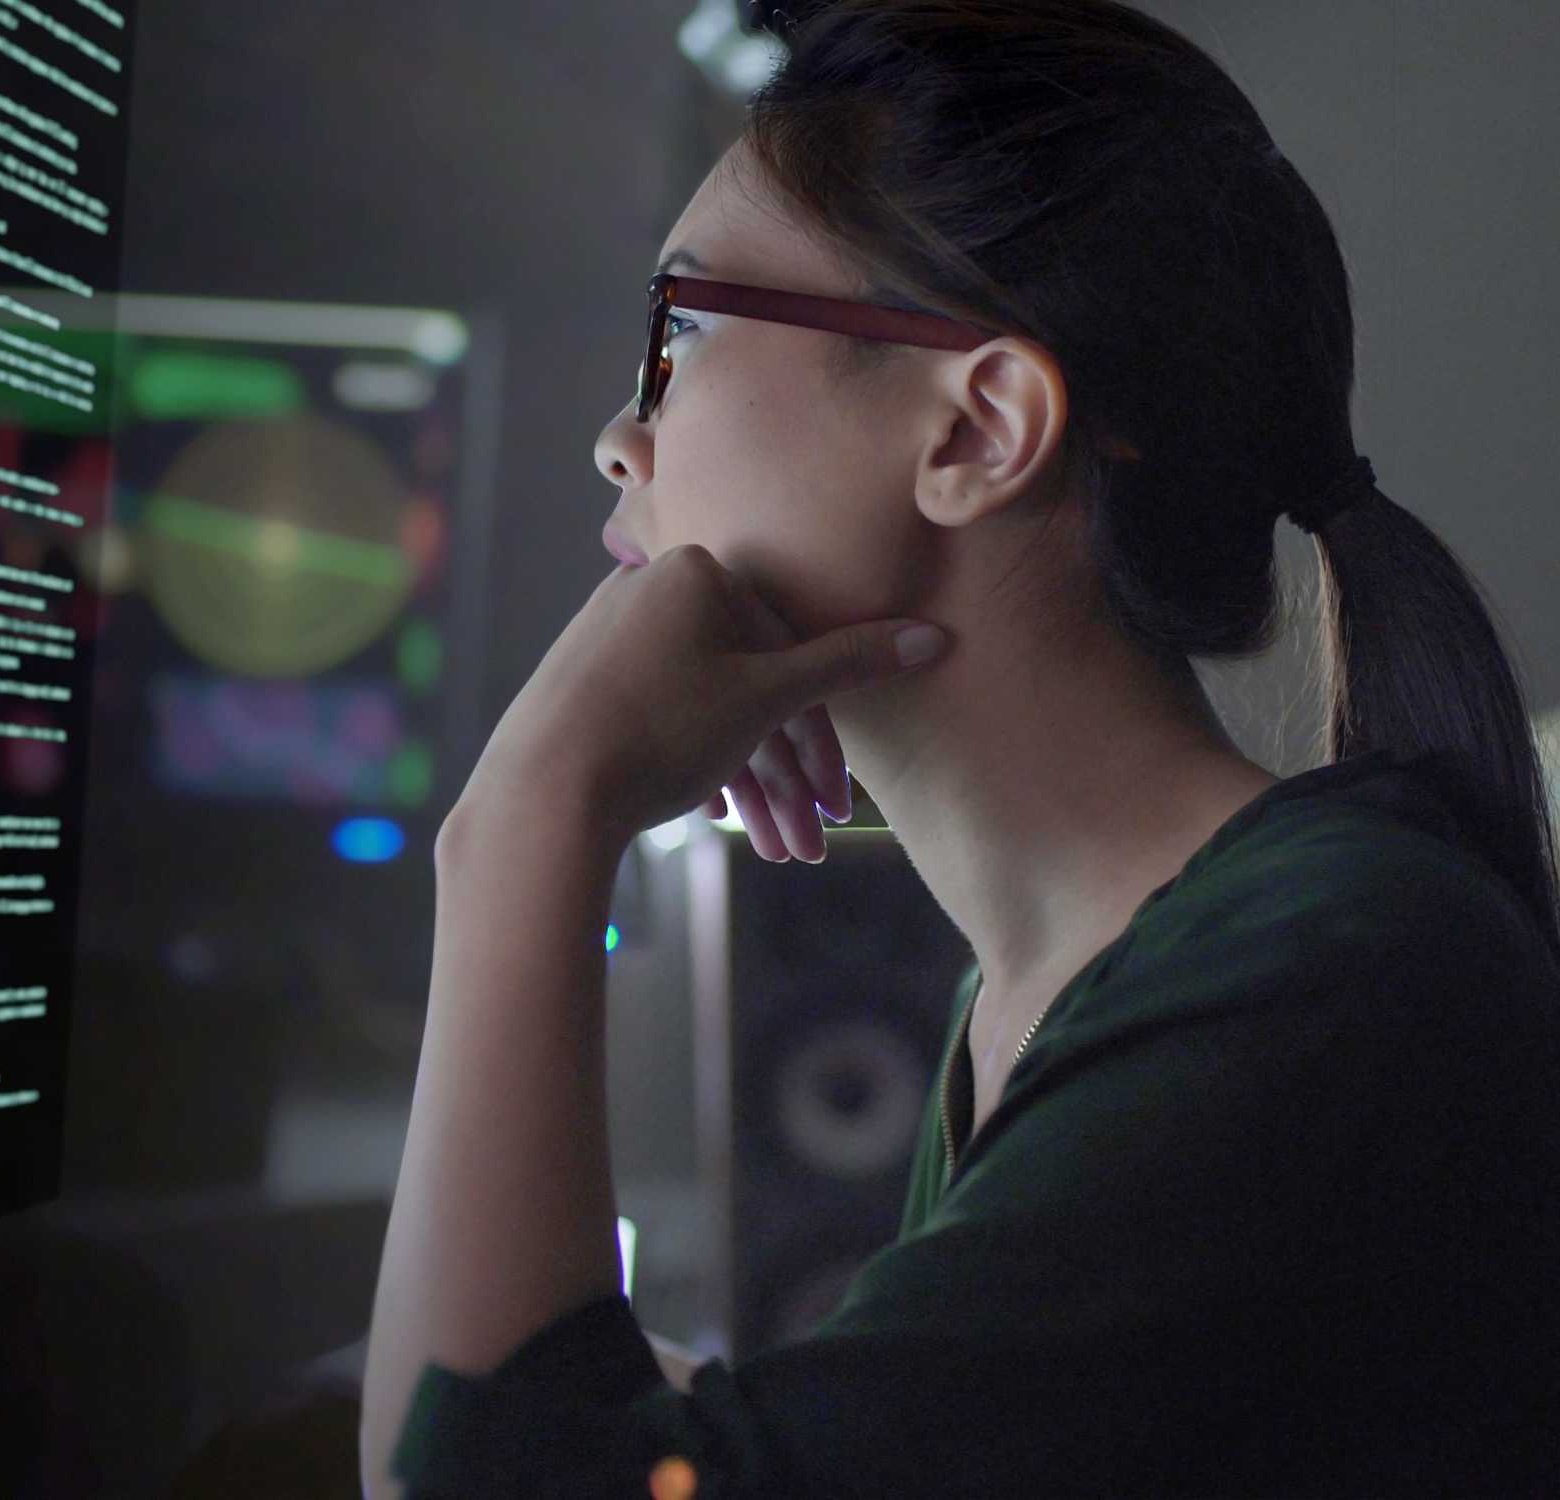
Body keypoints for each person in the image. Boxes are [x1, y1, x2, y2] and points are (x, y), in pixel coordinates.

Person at [360, 2, 1560, 1495]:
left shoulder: (1327, 970)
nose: (620, 434)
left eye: (685, 331)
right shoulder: (1047, 988)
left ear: (979, 427)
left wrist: (530, 818)